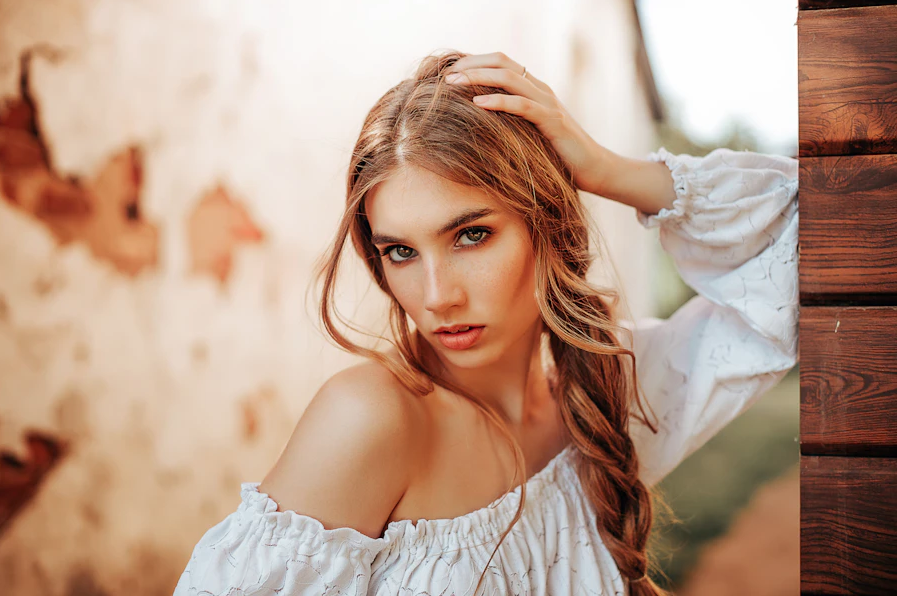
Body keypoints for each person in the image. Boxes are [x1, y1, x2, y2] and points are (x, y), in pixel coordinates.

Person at [172, 50, 798, 596]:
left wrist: (603, 168)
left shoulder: (606, 397)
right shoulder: (371, 419)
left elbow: (804, 245)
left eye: (471, 235)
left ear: (547, 225)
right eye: (401, 251)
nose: (437, 296)